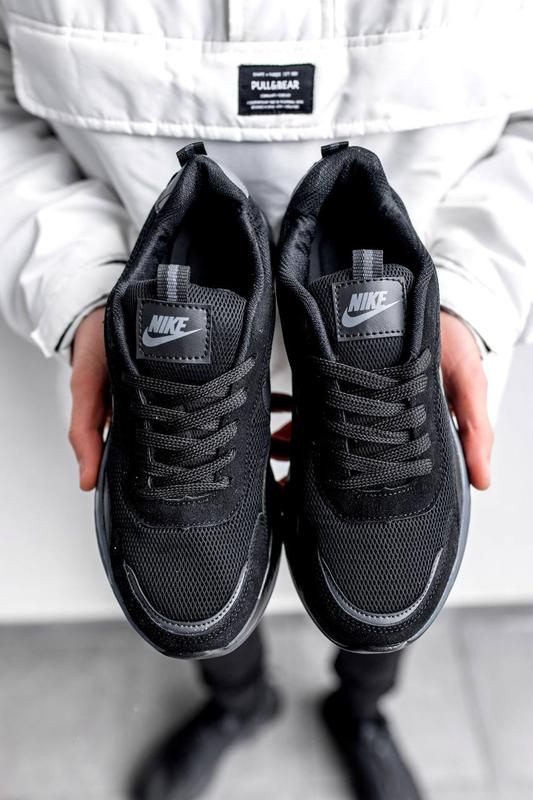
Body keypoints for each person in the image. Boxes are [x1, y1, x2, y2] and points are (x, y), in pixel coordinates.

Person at [2, 3, 532, 798]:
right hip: (156, 367)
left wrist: (467, 297)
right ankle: (238, 701)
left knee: (385, 591)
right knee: (205, 588)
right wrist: (81, 296)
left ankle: (362, 710)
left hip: (410, 366)